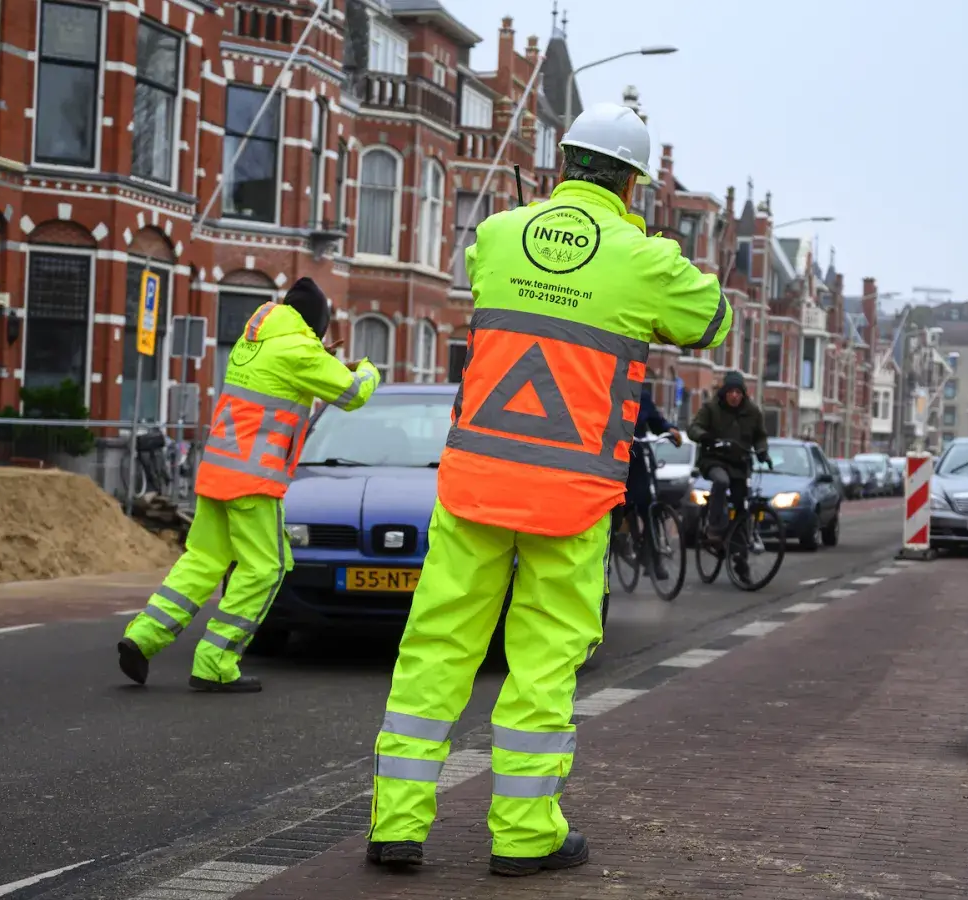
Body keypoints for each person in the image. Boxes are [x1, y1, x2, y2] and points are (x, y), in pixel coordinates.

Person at [365, 101, 731, 877]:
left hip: (474, 486)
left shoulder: (498, 235)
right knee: (540, 666)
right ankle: (524, 836)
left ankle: (396, 827)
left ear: (563, 161)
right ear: (633, 183)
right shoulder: (643, 258)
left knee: (434, 652)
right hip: (570, 499)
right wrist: (650, 252)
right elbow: (713, 322)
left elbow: (495, 288)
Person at [116, 277, 380, 693]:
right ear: (315, 325)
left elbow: (284, 377)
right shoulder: (299, 350)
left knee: (203, 558)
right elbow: (352, 394)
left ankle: (143, 636)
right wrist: (366, 368)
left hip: (217, 469)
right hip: (254, 479)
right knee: (265, 568)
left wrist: (319, 358)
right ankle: (216, 662)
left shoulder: (252, 342)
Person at [687, 370, 770, 548]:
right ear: (725, 392)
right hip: (713, 460)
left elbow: (760, 436)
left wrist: (762, 451)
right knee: (722, 481)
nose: (734, 396)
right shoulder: (711, 408)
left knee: (742, 503)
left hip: (739, 463)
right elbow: (694, 428)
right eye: (731, 392)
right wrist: (705, 436)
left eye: (738, 392)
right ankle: (714, 526)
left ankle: (740, 556)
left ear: (743, 394)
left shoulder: (753, 412)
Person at [614, 387, 683, 578]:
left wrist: (670, 430)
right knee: (619, 506)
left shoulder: (641, 395)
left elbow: (656, 422)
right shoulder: (611, 390)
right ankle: (614, 546)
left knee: (650, 506)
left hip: (641, 457)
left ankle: (653, 559)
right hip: (619, 458)